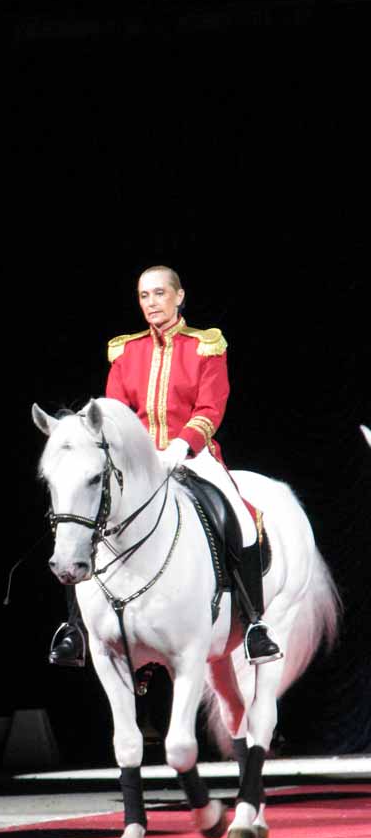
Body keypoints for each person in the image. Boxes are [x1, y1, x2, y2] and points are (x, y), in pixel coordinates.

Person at [49, 264, 281, 666]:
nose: (151, 303)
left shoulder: (205, 345)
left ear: (179, 296)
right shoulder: (127, 351)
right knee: (85, 517)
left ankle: (254, 623)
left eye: (159, 294)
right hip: (138, 463)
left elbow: (211, 407)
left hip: (193, 455)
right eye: (144, 296)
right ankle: (74, 627)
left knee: (240, 520)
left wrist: (181, 445)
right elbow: (115, 411)